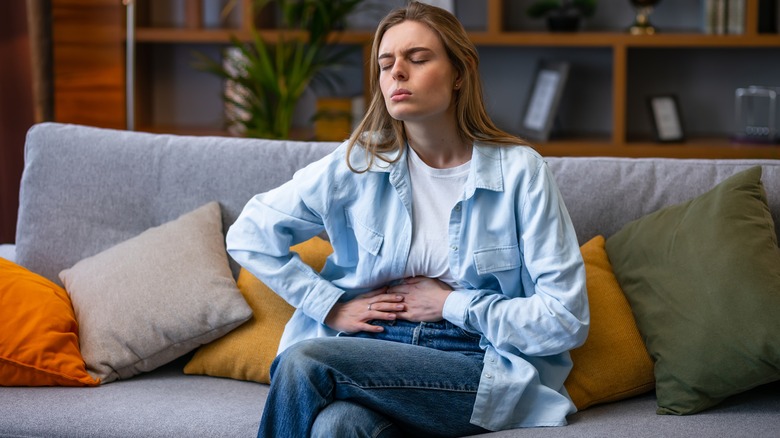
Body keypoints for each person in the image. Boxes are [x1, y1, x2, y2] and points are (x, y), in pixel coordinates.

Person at [226, 2, 589, 436]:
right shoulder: (358, 163)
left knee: (304, 360)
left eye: (417, 59)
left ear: (459, 72)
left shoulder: (520, 172)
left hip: (473, 360)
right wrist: (331, 305)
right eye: (385, 64)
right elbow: (250, 234)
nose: (397, 72)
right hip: (370, 349)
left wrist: (451, 304)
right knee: (336, 427)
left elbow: (566, 318)